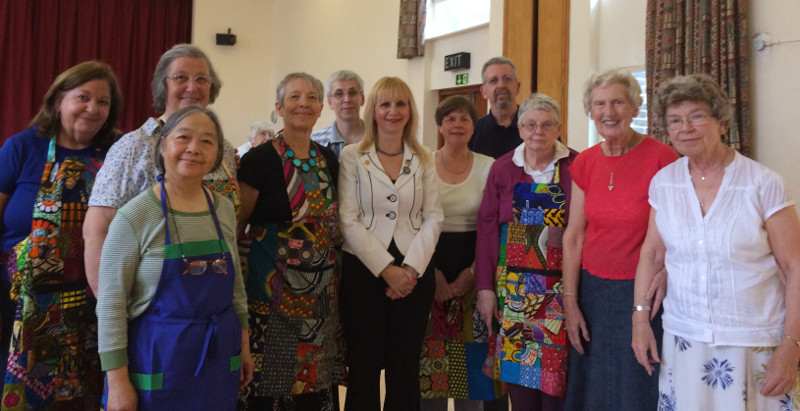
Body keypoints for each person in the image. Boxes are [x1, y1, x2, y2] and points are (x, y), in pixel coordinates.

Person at [631, 74, 800, 410]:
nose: (685, 128)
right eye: (675, 120)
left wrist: (791, 345)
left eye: (697, 116)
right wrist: (640, 321)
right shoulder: (664, 183)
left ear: (722, 122)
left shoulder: (763, 183)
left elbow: (794, 266)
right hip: (685, 339)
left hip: (753, 342)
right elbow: (651, 254)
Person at [97, 106, 252, 410]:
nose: (194, 148)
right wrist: (117, 383)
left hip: (219, 357)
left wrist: (243, 344)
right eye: (184, 137)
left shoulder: (222, 208)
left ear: (218, 153)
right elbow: (111, 305)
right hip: (158, 361)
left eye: (207, 141)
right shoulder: (135, 215)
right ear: (163, 145)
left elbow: (236, 288)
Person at [0, 61, 122, 409]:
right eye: (83, 97)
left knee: (79, 396)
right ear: (58, 101)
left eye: (103, 102)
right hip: (20, 304)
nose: (93, 108)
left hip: (92, 302)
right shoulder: (22, 147)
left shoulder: (118, 153)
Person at [561, 68, 679, 411]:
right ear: (590, 110)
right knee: (594, 383)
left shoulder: (663, 158)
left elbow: (677, 232)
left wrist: (669, 272)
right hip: (592, 291)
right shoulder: (585, 163)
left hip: (643, 292)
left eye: (617, 102)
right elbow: (574, 235)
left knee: (636, 382)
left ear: (634, 108)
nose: (608, 112)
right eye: (600, 104)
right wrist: (570, 301)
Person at [83, 44, 239, 296]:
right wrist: (111, 306)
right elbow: (97, 230)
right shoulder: (134, 146)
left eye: (201, 79)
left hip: (214, 297)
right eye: (181, 78)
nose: (192, 87)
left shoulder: (225, 151)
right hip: (150, 302)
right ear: (162, 85)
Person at [236, 73, 344, 410]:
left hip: (321, 291)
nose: (303, 103)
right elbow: (239, 224)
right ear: (279, 107)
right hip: (272, 289)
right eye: (295, 97)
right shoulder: (258, 160)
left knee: (315, 379)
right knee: (275, 380)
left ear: (320, 108)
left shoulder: (328, 159)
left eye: (312, 97)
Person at [338, 76, 443, 411]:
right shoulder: (353, 156)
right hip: (364, 270)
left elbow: (434, 217)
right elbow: (349, 219)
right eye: (385, 104)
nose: (393, 111)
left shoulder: (424, 156)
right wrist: (387, 270)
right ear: (373, 110)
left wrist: (409, 270)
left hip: (415, 271)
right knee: (364, 368)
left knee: (405, 367)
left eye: (401, 104)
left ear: (410, 110)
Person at [475, 93, 578, 410]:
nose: (538, 132)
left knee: (557, 386)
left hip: (562, 293)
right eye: (530, 124)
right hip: (515, 294)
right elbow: (487, 229)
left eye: (547, 124)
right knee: (521, 386)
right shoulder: (503, 168)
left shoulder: (577, 164)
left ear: (558, 127)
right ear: (519, 129)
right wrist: (484, 288)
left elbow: (583, 229)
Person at [419, 96, 503, 411]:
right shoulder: (423, 162)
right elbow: (414, 221)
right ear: (440, 126)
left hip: (475, 269)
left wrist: (473, 273)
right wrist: (433, 274)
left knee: (472, 372)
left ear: (473, 126)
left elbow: (493, 225)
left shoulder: (488, 165)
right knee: (432, 371)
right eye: (450, 119)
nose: (457, 124)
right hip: (429, 269)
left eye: (465, 119)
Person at [468, 57, 522, 159]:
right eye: (493, 80)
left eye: (507, 79)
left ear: (517, 87)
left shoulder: (536, 128)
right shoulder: (473, 131)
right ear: (484, 91)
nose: (501, 85)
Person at [311, 70, 366, 158]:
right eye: (339, 94)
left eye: (352, 93)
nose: (347, 99)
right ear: (330, 103)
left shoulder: (380, 139)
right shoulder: (314, 142)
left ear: (362, 99)